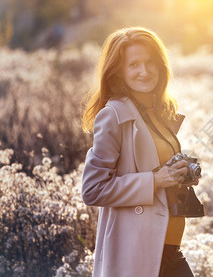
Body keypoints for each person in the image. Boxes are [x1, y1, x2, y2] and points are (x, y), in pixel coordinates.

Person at [81, 27, 200, 277]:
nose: (144, 72)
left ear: (161, 67)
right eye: (134, 65)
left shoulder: (157, 113)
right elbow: (93, 189)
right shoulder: (113, 115)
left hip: (169, 248)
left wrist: (179, 175)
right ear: (119, 72)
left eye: (150, 63)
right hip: (138, 251)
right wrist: (156, 180)